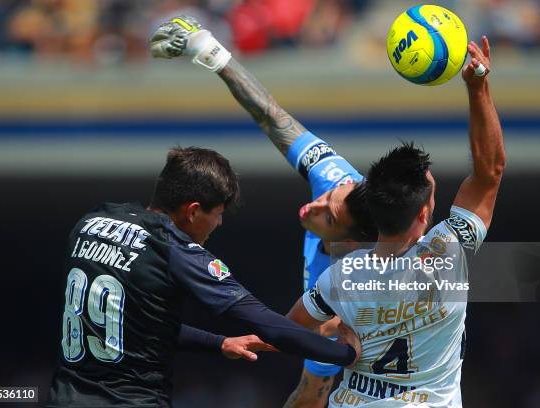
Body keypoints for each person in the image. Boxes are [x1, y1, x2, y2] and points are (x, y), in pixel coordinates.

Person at [150, 16, 380, 408]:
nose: (314, 203)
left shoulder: (359, 287)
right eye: (328, 195)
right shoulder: (334, 175)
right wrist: (210, 51)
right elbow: (272, 116)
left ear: (350, 240)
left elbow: (309, 368)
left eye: (327, 215)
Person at [47, 146, 361, 407]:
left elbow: (131, 324)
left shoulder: (91, 224)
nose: (220, 223)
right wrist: (344, 353)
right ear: (194, 211)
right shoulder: (175, 250)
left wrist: (218, 342)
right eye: (219, 213)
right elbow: (266, 323)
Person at [286, 37, 505, 406]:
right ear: (423, 214)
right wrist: (478, 86)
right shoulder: (447, 253)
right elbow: (490, 172)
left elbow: (284, 331)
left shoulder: (341, 276)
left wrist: (334, 342)